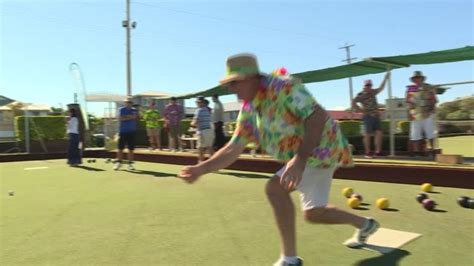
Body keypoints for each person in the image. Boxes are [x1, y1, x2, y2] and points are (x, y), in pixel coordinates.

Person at [178, 53, 380, 266]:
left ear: (253, 78)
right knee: (314, 214)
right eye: (229, 83)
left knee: (275, 188)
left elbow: (317, 116)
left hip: (321, 150)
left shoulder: (283, 87)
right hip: (308, 157)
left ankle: (289, 260)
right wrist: (200, 169)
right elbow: (233, 148)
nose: (231, 88)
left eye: (235, 82)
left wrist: (300, 159)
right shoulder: (249, 109)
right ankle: (365, 224)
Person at [352, 73, 390, 158]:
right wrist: (360, 110)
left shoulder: (373, 92)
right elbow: (353, 102)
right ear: (364, 86)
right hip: (368, 116)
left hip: (376, 116)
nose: (368, 87)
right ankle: (367, 152)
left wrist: (385, 78)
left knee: (379, 133)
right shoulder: (361, 94)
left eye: (370, 85)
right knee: (367, 134)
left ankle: (378, 151)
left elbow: (381, 88)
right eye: (367, 85)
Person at [405, 71, 438, 156]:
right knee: (415, 134)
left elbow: (434, 100)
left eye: (418, 77)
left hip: (427, 113)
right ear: (413, 79)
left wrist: (432, 110)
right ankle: (416, 152)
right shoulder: (410, 89)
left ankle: (433, 150)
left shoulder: (429, 87)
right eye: (415, 78)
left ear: (422, 78)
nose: (417, 79)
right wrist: (408, 113)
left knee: (430, 133)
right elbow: (408, 102)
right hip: (415, 114)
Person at [114, 97, 138, 171]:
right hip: (123, 131)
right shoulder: (121, 109)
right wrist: (130, 117)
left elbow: (135, 117)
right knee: (120, 148)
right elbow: (121, 118)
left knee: (131, 149)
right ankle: (119, 163)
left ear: (132, 103)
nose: (128, 104)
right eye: (127, 102)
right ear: (125, 103)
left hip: (132, 132)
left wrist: (127, 117)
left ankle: (130, 164)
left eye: (130, 102)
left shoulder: (134, 110)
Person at [192, 96, 215, 162]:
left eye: (197, 102)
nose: (196, 103)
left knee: (200, 148)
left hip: (202, 130)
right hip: (210, 130)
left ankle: (200, 162)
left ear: (201, 103)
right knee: (210, 147)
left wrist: (192, 124)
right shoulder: (209, 110)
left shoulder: (198, 110)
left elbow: (195, 122)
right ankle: (214, 163)